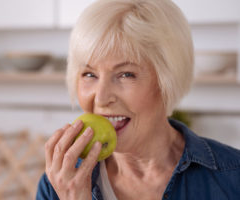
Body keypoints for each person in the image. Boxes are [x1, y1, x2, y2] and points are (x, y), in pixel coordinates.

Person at [36, 0, 240, 199]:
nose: (101, 97)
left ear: (167, 81)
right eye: (89, 74)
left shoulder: (233, 177)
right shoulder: (60, 185)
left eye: (126, 74)